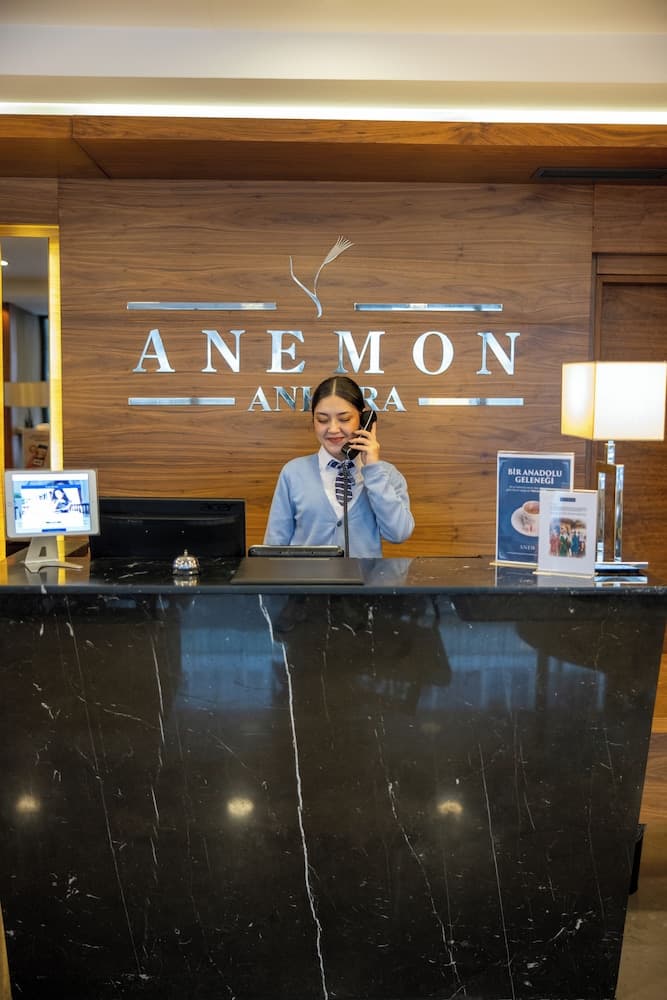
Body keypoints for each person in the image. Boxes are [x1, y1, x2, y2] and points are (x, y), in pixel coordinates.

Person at [264, 375, 414, 557]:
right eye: (322, 420)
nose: (333, 429)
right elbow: (273, 546)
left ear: (363, 420)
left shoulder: (386, 474)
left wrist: (373, 471)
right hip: (303, 576)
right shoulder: (293, 472)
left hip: (364, 576)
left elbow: (398, 533)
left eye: (344, 419)